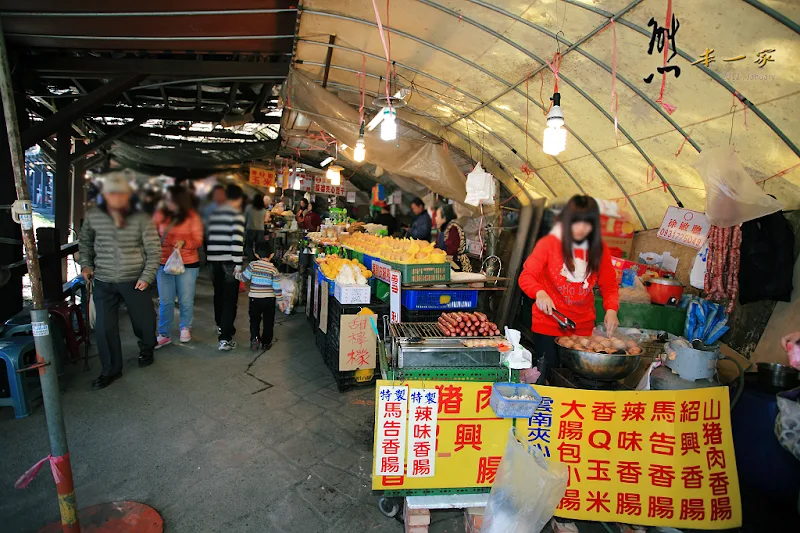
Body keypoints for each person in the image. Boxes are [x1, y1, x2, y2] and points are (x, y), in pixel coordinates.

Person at [518, 195, 620, 384]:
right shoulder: (549, 245)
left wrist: (612, 310)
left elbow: (609, 285)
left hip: (581, 328)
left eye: (587, 224)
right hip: (548, 324)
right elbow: (527, 275)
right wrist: (539, 292)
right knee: (548, 378)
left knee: (575, 381)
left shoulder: (599, 250)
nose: (581, 229)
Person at [79, 173, 160, 389]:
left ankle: (146, 347)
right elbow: (85, 242)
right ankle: (111, 369)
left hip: (134, 279)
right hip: (103, 279)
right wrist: (86, 265)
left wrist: (147, 276)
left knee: (144, 322)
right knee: (105, 328)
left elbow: (154, 250)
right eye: (111, 194)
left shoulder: (142, 218)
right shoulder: (94, 216)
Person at [152, 185, 204, 347]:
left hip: (188, 263)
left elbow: (198, 240)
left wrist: (184, 243)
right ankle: (163, 333)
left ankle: (185, 327)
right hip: (164, 262)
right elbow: (150, 234)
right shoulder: (160, 214)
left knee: (185, 299)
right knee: (165, 300)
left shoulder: (192, 217)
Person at [207, 184, 246, 351]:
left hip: (213, 261)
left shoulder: (214, 214)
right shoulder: (236, 215)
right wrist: (238, 265)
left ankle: (221, 326)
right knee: (230, 300)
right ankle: (225, 338)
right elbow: (236, 242)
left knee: (219, 295)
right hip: (229, 263)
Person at [238, 241, 285, 351]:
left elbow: (244, 278)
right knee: (268, 322)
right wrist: (280, 301)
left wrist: (236, 274)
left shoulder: (252, 265)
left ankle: (255, 339)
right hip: (269, 300)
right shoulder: (274, 270)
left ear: (256, 255)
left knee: (254, 320)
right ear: (272, 255)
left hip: (255, 299)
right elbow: (277, 287)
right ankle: (266, 343)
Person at [435, 203, 472, 272]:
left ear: (444, 218)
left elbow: (451, 250)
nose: (435, 218)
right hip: (445, 264)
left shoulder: (453, 229)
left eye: (437, 215)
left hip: (456, 265)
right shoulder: (443, 229)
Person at [244, 193, 267, 259]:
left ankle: (251, 259)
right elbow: (264, 219)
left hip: (250, 228)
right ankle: (258, 259)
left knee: (249, 246)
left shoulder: (249, 208)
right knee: (259, 247)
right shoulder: (263, 210)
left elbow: (245, 218)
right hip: (260, 229)